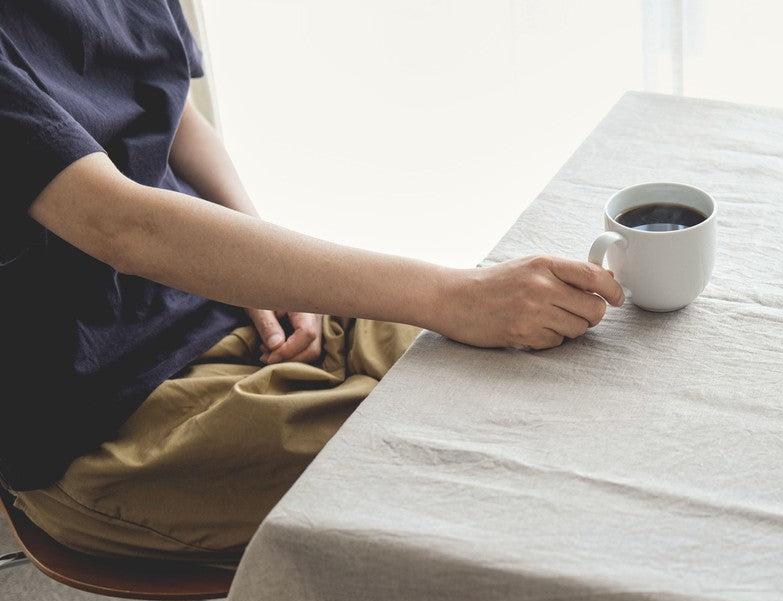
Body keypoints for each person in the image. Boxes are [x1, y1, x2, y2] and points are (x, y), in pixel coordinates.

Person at [0, 1, 623, 561]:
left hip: (220, 295)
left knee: (540, 382)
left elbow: (174, 113)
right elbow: (121, 226)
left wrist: (269, 283)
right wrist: (453, 295)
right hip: (103, 407)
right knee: (476, 468)